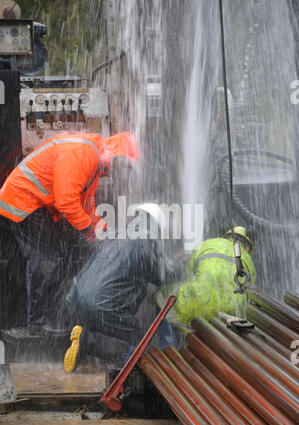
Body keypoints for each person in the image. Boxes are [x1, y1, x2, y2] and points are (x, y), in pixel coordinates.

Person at [0, 132, 139, 334]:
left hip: (34, 204)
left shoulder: (94, 164)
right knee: (48, 260)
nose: (123, 172)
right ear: (115, 155)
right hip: (23, 202)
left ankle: (45, 318)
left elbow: (86, 206)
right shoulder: (84, 153)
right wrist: (87, 232)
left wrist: (103, 233)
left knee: (62, 257)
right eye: (124, 164)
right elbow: (66, 202)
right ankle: (38, 325)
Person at [63, 203, 185, 373]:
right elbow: (163, 276)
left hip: (77, 301)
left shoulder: (116, 236)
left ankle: (86, 337)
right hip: (105, 306)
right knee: (140, 341)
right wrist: (186, 266)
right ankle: (128, 375)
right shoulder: (146, 242)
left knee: (107, 328)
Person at [157, 227, 256, 332]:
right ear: (247, 248)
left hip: (194, 308)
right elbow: (249, 292)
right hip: (228, 315)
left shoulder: (206, 244)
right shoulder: (247, 259)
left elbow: (188, 274)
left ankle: (169, 344)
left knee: (162, 297)